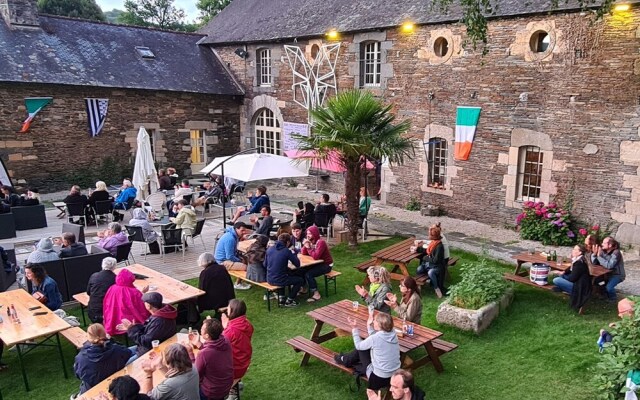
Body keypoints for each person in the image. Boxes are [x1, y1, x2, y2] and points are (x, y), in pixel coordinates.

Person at [335, 312, 401, 392]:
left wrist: (354, 328)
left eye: (375, 321)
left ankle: (345, 360)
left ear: (380, 324)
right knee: (366, 346)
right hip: (395, 376)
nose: (373, 322)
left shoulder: (375, 338)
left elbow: (359, 346)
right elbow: (375, 338)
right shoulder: (393, 334)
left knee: (361, 349)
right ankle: (346, 359)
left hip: (378, 379)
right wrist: (369, 325)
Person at [72, 323, 131, 396]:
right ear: (105, 334)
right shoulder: (116, 349)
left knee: (85, 382)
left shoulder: (81, 357)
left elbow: (78, 374)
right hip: (116, 383)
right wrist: (111, 341)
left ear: (88, 337)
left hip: (94, 389)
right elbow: (127, 352)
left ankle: (79, 395)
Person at [119, 291, 177, 364]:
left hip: (149, 351)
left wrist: (131, 330)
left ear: (149, 306)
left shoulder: (159, 321)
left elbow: (147, 342)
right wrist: (134, 327)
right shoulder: (161, 313)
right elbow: (149, 330)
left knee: (124, 365)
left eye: (144, 302)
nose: (143, 304)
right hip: (143, 348)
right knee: (120, 355)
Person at [183, 318, 234, 400]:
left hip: (212, 392)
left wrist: (190, 353)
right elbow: (213, 351)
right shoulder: (225, 341)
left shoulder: (204, 354)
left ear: (207, 336)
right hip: (226, 386)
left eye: (202, 328)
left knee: (184, 390)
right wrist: (199, 344)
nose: (200, 329)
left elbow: (195, 374)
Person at [103, 268, 150, 336]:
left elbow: (106, 303)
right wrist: (143, 293)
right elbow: (142, 306)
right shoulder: (134, 292)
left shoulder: (112, 288)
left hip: (114, 317)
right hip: (129, 319)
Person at [221, 299, 253, 398]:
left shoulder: (230, 330)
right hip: (245, 361)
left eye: (228, 308)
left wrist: (225, 327)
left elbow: (220, 345)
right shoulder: (247, 323)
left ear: (233, 311)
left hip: (236, 367)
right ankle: (235, 387)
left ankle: (230, 391)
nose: (227, 310)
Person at [265, 233, 303, 307]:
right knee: (300, 280)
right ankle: (290, 300)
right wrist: (293, 253)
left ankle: (281, 298)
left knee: (282, 273)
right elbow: (298, 264)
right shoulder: (286, 251)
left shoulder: (270, 249)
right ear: (288, 242)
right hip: (280, 279)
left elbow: (265, 264)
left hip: (269, 278)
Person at [552, 244, 592, 311]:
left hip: (579, 287)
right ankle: (561, 287)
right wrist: (563, 272)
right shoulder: (579, 260)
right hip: (578, 282)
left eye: (575, 249)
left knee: (556, 280)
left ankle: (563, 288)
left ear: (580, 252)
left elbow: (572, 279)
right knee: (559, 275)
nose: (573, 250)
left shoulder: (579, 263)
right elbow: (571, 268)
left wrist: (562, 276)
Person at [214, 222, 252, 290]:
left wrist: (242, 258)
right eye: (242, 230)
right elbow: (230, 256)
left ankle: (240, 281)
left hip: (227, 258)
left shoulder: (233, 235)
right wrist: (240, 260)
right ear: (236, 229)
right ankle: (238, 284)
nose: (244, 232)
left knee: (247, 259)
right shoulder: (230, 239)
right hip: (223, 261)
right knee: (245, 267)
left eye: (244, 230)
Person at [301, 225, 333, 302]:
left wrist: (309, 248)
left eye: (310, 233)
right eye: (307, 233)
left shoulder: (321, 242)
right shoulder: (311, 241)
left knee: (309, 274)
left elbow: (316, 256)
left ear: (315, 234)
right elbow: (303, 252)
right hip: (318, 263)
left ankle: (316, 294)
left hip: (327, 265)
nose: (308, 235)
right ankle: (304, 288)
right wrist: (306, 245)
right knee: (302, 270)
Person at [414, 225, 446, 298]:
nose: (428, 235)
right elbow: (428, 251)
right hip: (428, 264)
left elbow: (435, 260)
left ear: (433, 236)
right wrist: (417, 249)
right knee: (419, 269)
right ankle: (418, 286)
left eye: (429, 234)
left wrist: (425, 258)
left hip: (437, 266)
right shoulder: (433, 242)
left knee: (430, 273)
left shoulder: (439, 246)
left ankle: (436, 288)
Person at [592, 236, 626, 302]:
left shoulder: (616, 253)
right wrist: (594, 254)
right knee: (596, 281)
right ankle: (603, 294)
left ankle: (613, 299)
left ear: (610, 245)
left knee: (609, 287)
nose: (602, 244)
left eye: (604, 243)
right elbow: (594, 262)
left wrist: (599, 256)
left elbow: (609, 265)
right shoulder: (603, 251)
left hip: (617, 275)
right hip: (606, 274)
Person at [87, 257, 118, 323]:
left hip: (93, 310)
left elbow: (88, 292)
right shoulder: (116, 279)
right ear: (115, 266)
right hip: (108, 310)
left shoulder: (94, 276)